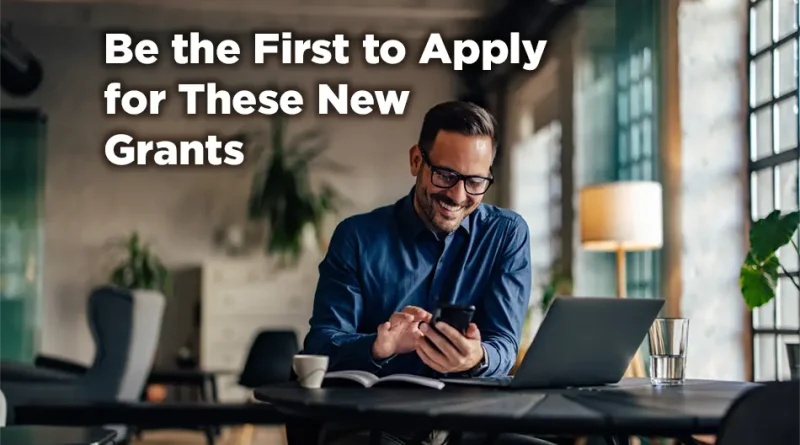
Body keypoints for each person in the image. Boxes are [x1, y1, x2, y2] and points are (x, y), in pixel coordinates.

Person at [294, 101, 553, 445]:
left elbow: (504, 342)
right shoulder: (356, 237)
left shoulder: (506, 234)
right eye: (445, 175)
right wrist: (379, 346)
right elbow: (321, 343)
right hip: (377, 424)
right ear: (417, 160)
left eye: (475, 181)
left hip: (470, 423)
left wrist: (477, 357)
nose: (458, 196)